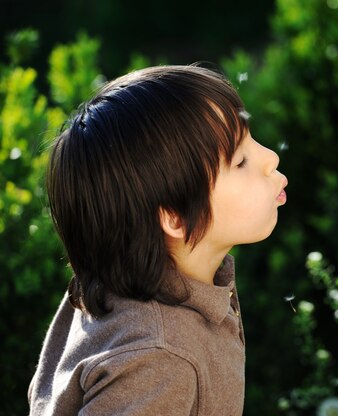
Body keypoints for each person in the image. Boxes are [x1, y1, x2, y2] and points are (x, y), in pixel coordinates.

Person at [28, 65, 288, 415]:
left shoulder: (121, 283)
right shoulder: (157, 360)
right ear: (176, 217)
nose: (270, 158)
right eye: (240, 161)